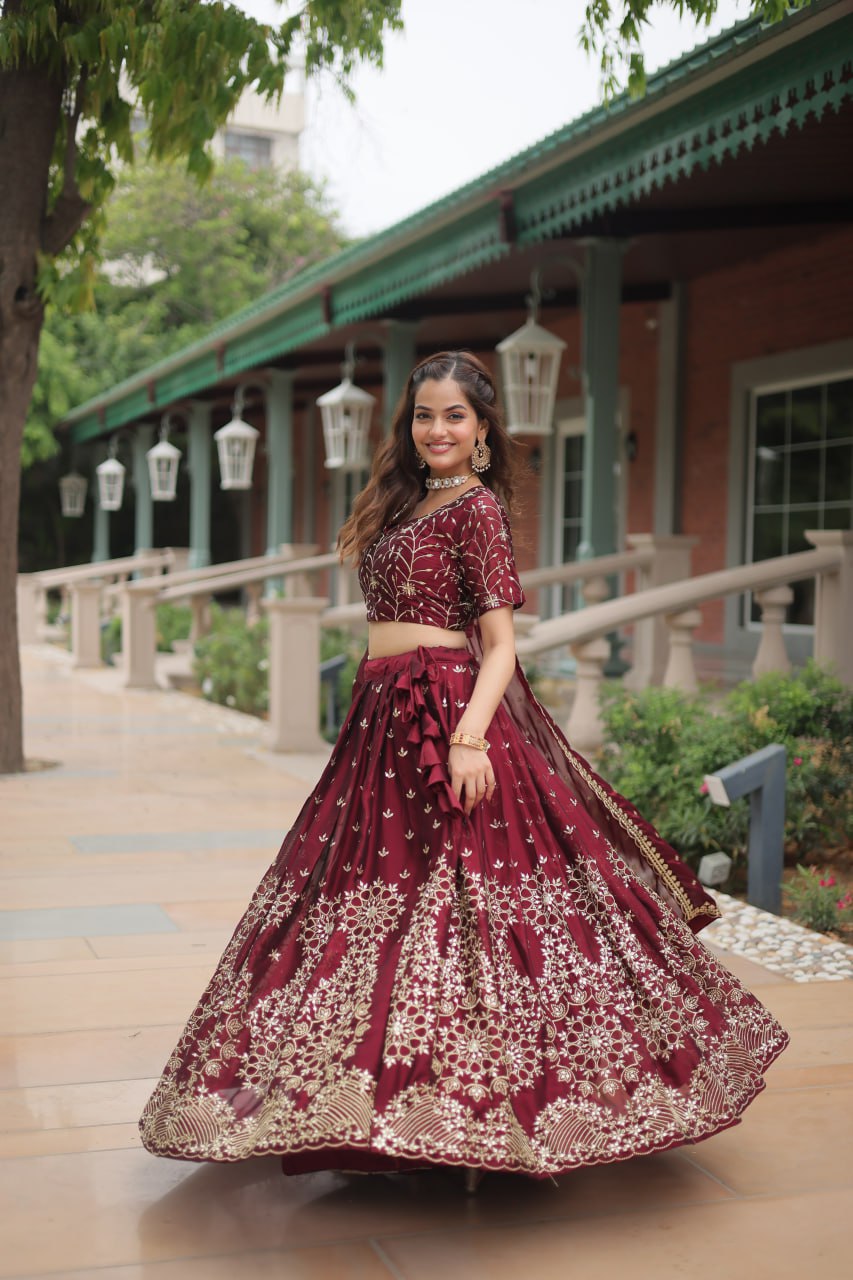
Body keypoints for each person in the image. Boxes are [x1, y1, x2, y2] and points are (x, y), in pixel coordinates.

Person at [139, 350, 788, 1185]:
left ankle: (480, 1113)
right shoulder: (402, 503)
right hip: (381, 717)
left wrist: (470, 738)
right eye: (422, 415)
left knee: (464, 909)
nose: (435, 429)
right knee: (373, 906)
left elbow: (499, 646)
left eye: (453, 416)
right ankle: (377, 1104)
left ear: (482, 431)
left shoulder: (476, 509)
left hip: (448, 717)